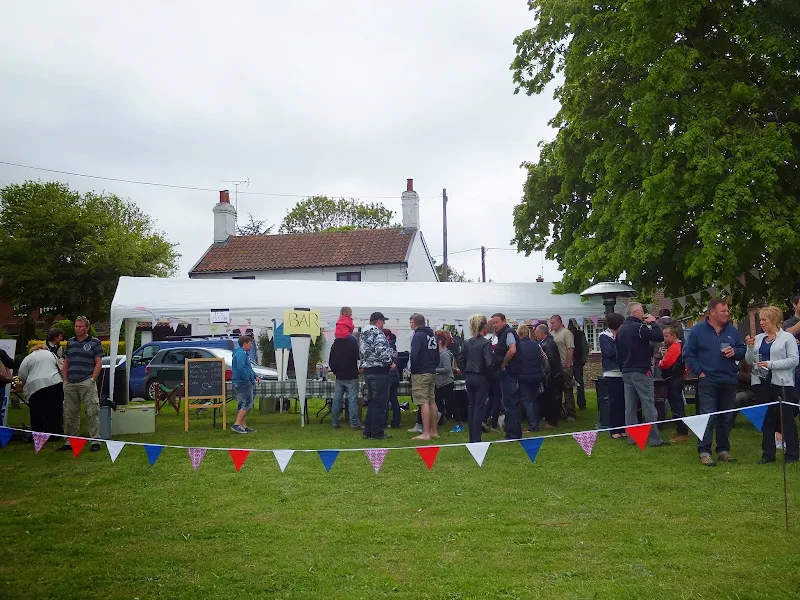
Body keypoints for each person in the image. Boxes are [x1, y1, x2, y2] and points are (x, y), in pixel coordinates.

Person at [683, 297, 746, 466]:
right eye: (723, 311)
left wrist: (735, 351)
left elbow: (742, 349)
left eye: (727, 311)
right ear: (712, 312)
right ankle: (704, 451)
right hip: (708, 380)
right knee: (708, 415)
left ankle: (723, 450)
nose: (727, 314)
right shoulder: (697, 331)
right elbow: (688, 355)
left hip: (729, 379)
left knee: (726, 416)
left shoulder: (732, 331)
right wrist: (700, 372)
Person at [745, 306, 799, 464]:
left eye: (764, 319)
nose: (761, 322)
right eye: (760, 319)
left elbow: (794, 360)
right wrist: (749, 347)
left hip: (782, 382)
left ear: (774, 320)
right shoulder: (759, 338)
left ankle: (793, 453)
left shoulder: (787, 338)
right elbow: (749, 361)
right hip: (761, 382)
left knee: (786, 418)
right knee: (767, 418)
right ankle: (768, 454)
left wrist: (770, 364)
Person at [616, 302, 668, 448]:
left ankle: (633, 438)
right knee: (648, 404)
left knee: (630, 407)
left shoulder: (620, 330)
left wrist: (623, 368)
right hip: (641, 370)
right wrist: (653, 322)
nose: (644, 313)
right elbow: (658, 337)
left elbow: (618, 353)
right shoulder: (640, 327)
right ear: (635, 313)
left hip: (626, 371)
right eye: (642, 311)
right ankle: (654, 440)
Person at [59, 317, 103, 452]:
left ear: (87, 328)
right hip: (71, 382)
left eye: (80, 326)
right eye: (76, 326)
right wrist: (65, 379)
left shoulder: (94, 342)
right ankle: (71, 440)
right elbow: (66, 361)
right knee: (70, 412)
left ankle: (95, 440)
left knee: (92, 411)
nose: (77, 329)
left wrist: (92, 379)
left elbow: (99, 362)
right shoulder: (70, 342)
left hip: (86, 380)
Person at [359, 311, 395, 440]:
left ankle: (367, 431)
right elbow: (381, 350)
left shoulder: (363, 333)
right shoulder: (377, 332)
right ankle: (377, 432)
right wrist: (389, 363)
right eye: (383, 321)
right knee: (380, 403)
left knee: (372, 402)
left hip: (368, 370)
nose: (383, 324)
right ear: (379, 321)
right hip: (379, 371)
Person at [18, 345, 63, 435]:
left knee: (37, 411)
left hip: (35, 386)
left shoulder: (28, 357)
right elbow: (60, 367)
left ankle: (38, 433)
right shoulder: (52, 354)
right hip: (54, 382)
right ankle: (55, 433)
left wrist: (27, 381)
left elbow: (22, 373)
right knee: (55, 410)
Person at [461, 314, 492, 443]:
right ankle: (476, 438)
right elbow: (489, 362)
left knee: (471, 407)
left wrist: (465, 371)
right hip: (481, 377)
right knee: (479, 407)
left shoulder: (467, 342)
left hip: (469, 376)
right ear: (483, 325)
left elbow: (460, 359)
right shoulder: (485, 342)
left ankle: (472, 438)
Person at [490, 313, 522, 440]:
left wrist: (504, 363)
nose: (495, 325)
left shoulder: (508, 333)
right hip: (507, 372)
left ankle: (513, 434)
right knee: (508, 403)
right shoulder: (502, 334)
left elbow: (512, 350)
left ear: (504, 321)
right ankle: (513, 432)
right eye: (493, 323)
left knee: (509, 404)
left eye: (496, 322)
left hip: (509, 372)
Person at [409, 313, 439, 441]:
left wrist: (414, 370)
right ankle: (434, 431)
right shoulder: (432, 335)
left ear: (414, 323)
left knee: (423, 402)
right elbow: (437, 354)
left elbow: (414, 355)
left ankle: (425, 433)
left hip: (421, 372)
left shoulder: (418, 336)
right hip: (432, 371)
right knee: (432, 400)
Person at [659, 325, 689, 443]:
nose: (664, 339)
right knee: (676, 403)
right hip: (674, 378)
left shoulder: (676, 346)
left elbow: (666, 363)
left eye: (666, 336)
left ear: (674, 336)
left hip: (674, 378)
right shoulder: (674, 346)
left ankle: (683, 432)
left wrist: (661, 362)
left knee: (677, 405)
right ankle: (680, 429)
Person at [328, 326, 361, 429]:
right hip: (351, 374)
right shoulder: (353, 341)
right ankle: (354, 422)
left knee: (337, 399)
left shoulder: (336, 342)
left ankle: (335, 422)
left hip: (340, 376)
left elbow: (331, 360)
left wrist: (336, 371)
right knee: (352, 400)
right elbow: (358, 356)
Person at [599, 313, 626, 439]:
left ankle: (623, 428)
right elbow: (610, 353)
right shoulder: (604, 336)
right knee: (614, 401)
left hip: (623, 371)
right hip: (612, 372)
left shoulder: (622, 335)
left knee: (623, 401)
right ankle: (614, 429)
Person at [517, 324, 544, 433]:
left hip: (524, 377)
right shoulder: (536, 344)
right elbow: (541, 358)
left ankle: (533, 426)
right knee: (534, 400)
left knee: (527, 401)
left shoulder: (519, 346)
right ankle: (536, 423)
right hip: (536, 375)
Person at [549, 315, 577, 422]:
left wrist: (568, 365)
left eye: (554, 323)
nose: (552, 325)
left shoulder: (566, 333)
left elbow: (570, 349)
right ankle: (560, 411)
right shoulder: (551, 334)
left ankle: (571, 413)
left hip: (564, 364)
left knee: (568, 390)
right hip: (555, 366)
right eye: (551, 323)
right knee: (556, 391)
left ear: (560, 322)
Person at [231, 335, 260, 434]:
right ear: (245, 344)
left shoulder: (242, 353)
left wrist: (255, 376)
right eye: (250, 343)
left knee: (242, 403)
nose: (251, 345)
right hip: (243, 382)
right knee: (247, 402)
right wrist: (247, 379)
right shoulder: (241, 354)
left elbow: (248, 368)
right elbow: (241, 368)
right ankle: (237, 424)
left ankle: (243, 426)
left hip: (240, 381)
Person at [434, 330, 456, 431]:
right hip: (439, 382)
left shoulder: (444, 354)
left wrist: (434, 370)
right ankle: (440, 421)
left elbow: (447, 369)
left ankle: (458, 421)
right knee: (438, 402)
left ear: (439, 341)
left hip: (446, 382)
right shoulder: (439, 353)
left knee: (450, 403)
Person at [568, 319, 589, 410]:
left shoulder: (579, 334)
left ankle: (581, 402)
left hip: (577, 361)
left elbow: (585, 347)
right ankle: (579, 403)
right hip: (574, 361)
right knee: (574, 383)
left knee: (578, 382)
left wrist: (582, 359)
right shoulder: (577, 334)